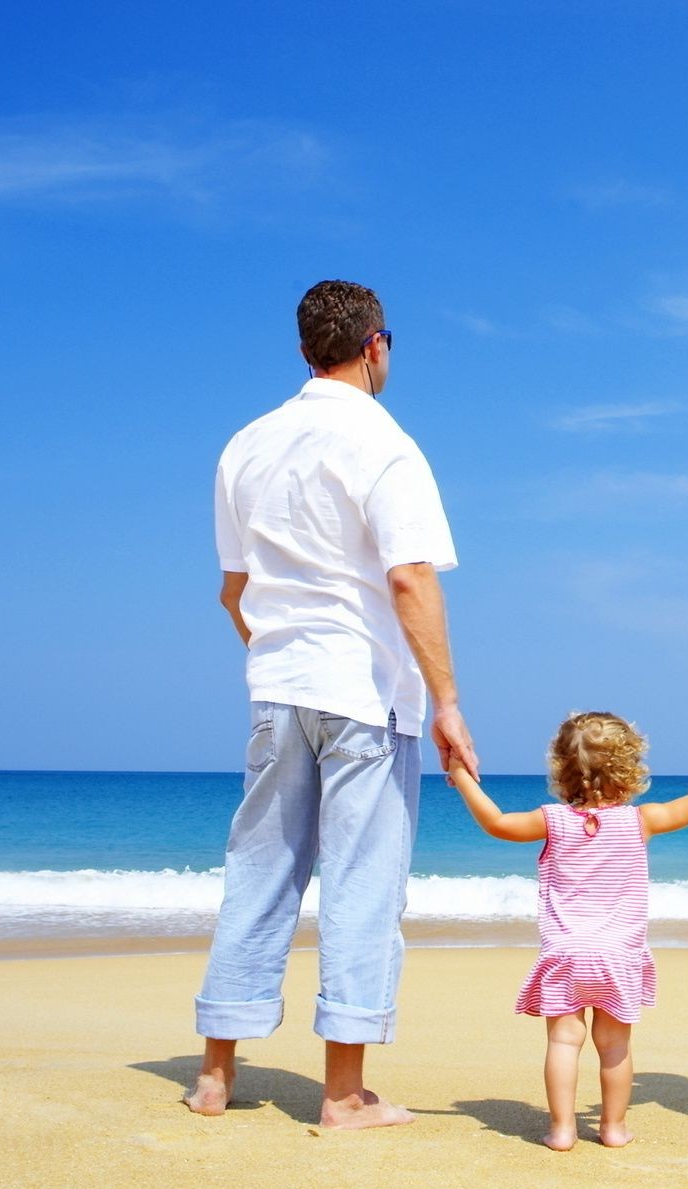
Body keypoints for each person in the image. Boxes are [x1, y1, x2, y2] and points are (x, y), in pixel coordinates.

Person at [187, 279, 478, 1130]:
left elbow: (232, 593)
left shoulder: (246, 445)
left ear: (307, 347)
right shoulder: (385, 443)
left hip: (278, 689)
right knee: (361, 886)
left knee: (259, 875)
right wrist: (449, 701)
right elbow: (409, 576)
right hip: (365, 695)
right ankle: (344, 1094)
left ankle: (214, 1076)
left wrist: (282, 662)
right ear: (375, 345)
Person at [449, 714, 688, 1150]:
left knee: (564, 1040)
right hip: (619, 954)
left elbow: (498, 823)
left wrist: (462, 777)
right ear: (630, 769)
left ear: (561, 768)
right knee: (614, 1045)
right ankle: (613, 1128)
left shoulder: (552, 821)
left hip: (566, 954)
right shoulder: (641, 821)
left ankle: (562, 1130)